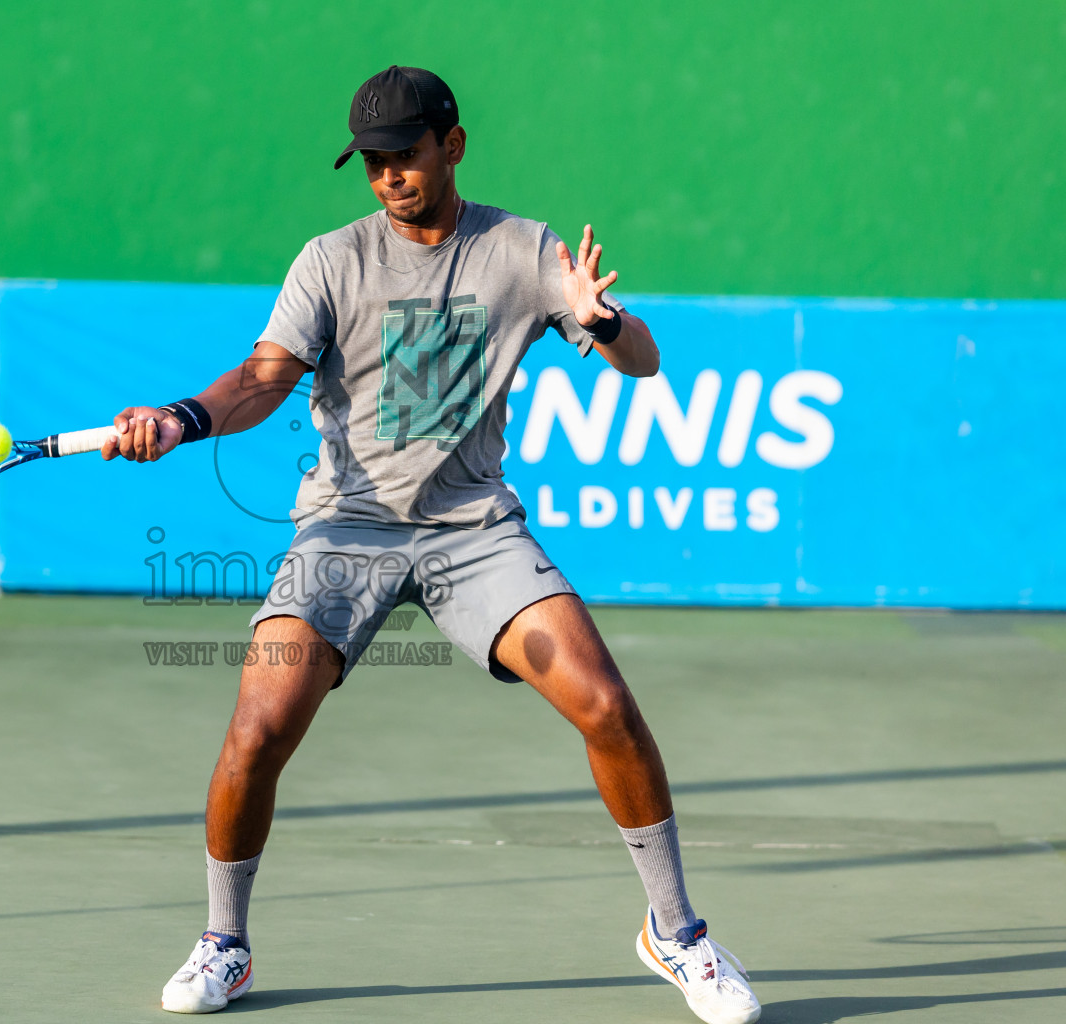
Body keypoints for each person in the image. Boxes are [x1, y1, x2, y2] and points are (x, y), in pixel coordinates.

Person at [103, 65, 760, 1024]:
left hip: (472, 534)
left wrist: (599, 319)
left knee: (607, 706)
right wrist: (179, 419)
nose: (387, 177)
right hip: (346, 530)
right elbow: (262, 376)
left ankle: (679, 936)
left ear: (452, 145)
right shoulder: (330, 261)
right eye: (371, 162)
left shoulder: (522, 250)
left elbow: (642, 362)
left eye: (404, 156)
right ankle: (224, 943)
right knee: (257, 729)